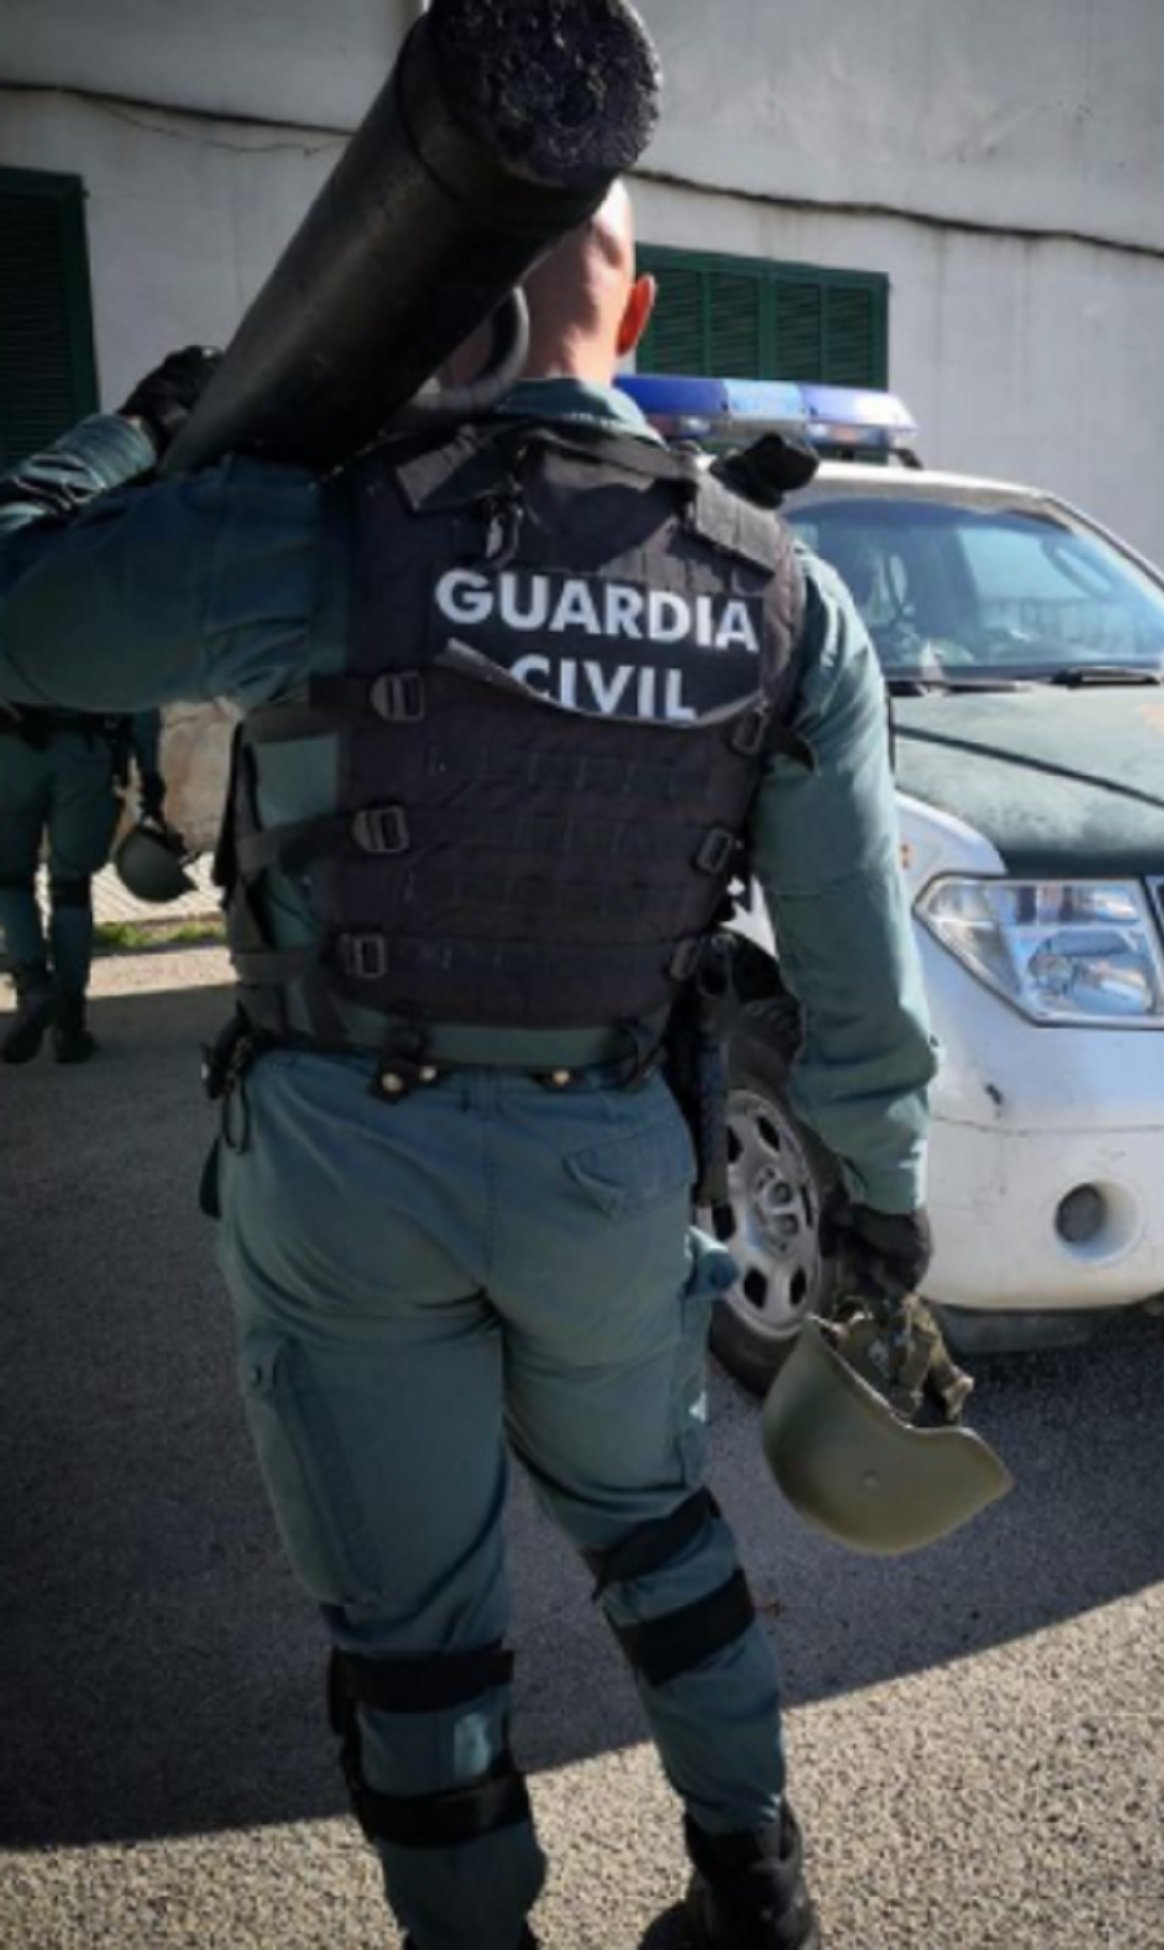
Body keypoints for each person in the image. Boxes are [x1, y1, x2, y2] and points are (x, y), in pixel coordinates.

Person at [0, 184, 936, 1950]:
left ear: (416, 309)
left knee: (420, 1637)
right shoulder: (780, 595)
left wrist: (138, 438)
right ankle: (759, 1882)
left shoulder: (313, 533)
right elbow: (853, 964)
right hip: (611, 1159)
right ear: (638, 311)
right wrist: (880, 1200)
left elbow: (18, 607)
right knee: (657, 1528)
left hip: (351, 1164)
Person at [0, 699, 167, 1063]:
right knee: (72, 889)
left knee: (9, 881)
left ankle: (33, 986)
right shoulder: (108, 637)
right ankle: (70, 1025)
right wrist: (150, 771)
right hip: (87, 752)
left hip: (10, 753)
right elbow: (137, 691)